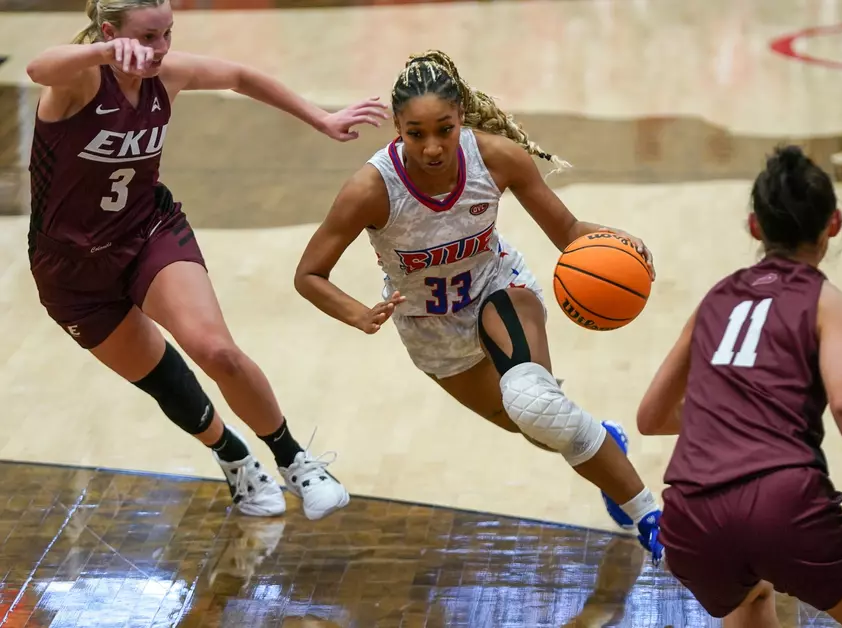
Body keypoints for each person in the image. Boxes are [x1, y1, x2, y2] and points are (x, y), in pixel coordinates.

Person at [24, 0, 388, 520]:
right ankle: (234, 457)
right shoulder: (79, 81)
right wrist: (105, 53)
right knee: (163, 381)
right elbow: (37, 67)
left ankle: (296, 461)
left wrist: (321, 117)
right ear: (110, 32)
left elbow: (239, 75)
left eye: (168, 33)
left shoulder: (166, 74)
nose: (163, 48)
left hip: (147, 232)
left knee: (215, 350)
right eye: (148, 37)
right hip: (71, 270)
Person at [293, 50, 664, 559]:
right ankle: (604, 442)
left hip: (499, 286)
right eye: (416, 133)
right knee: (535, 428)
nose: (431, 147)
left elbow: (568, 232)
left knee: (535, 404)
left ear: (461, 118)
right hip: (432, 333)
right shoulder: (370, 189)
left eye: (443, 130)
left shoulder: (497, 158)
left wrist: (624, 244)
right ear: (397, 127)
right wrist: (358, 313)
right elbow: (308, 274)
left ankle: (653, 517)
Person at [636, 145, 842, 627]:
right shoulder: (833, 306)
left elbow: (650, 417)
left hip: (691, 519)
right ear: (833, 224)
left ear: (755, 227)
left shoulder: (716, 298)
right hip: (783, 505)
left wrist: (722, 420)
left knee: (754, 598)